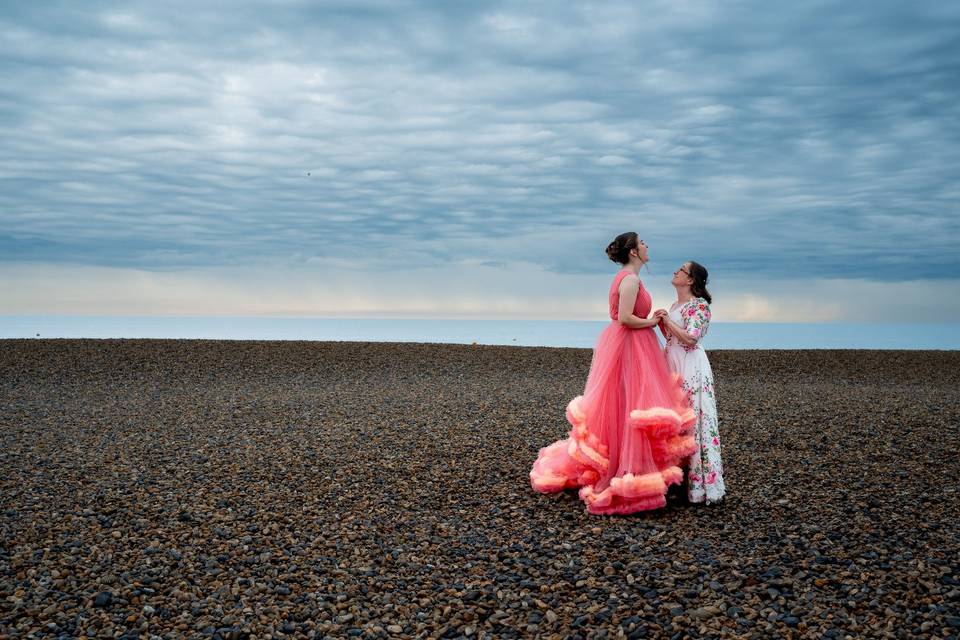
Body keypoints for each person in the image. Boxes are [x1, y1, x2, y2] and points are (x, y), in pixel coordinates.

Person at [530, 232, 697, 514]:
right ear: (633, 252)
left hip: (628, 343)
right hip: (630, 345)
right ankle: (627, 469)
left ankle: (626, 461)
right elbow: (625, 318)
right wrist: (652, 321)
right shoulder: (629, 279)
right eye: (642, 242)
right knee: (629, 400)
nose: (646, 245)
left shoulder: (628, 278)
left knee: (624, 402)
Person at [656, 261, 726, 504]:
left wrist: (667, 321)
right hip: (673, 363)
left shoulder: (699, 305)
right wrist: (664, 320)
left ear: (690, 280)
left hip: (691, 366)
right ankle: (676, 480)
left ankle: (697, 485)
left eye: (682, 270)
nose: (675, 271)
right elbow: (673, 336)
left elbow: (691, 338)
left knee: (693, 420)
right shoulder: (676, 304)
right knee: (675, 420)